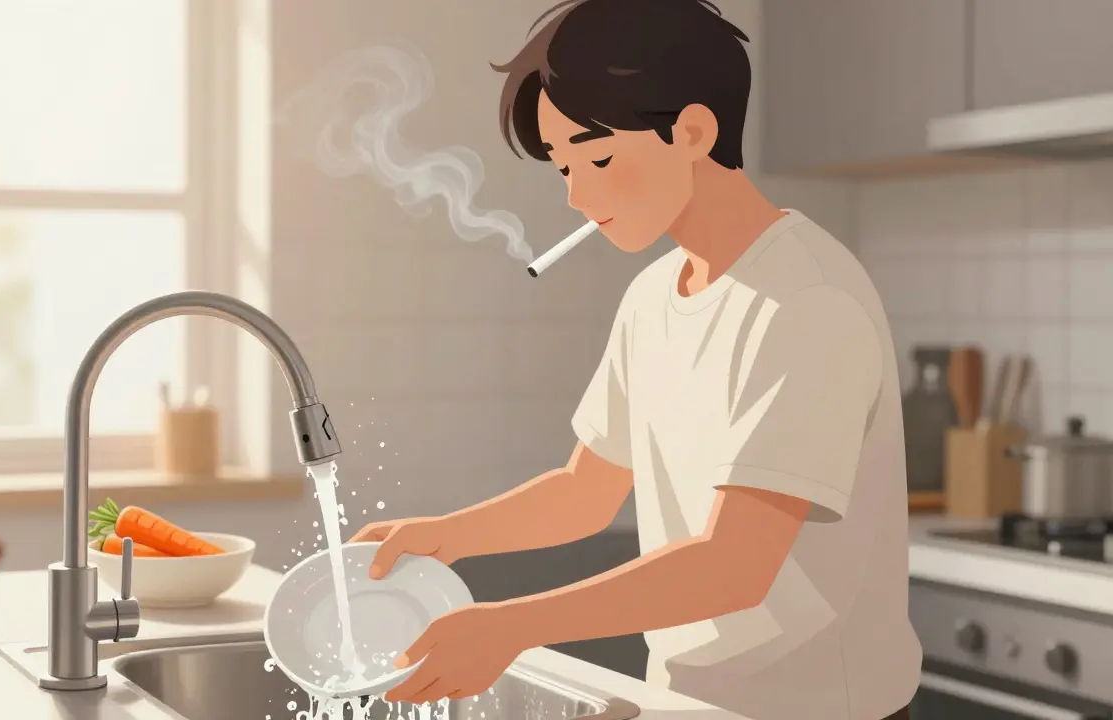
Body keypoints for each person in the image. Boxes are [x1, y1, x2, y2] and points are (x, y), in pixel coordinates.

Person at [350, 1, 921, 718]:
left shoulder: (808, 303)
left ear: (692, 132)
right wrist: (443, 537)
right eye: (563, 168)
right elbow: (586, 489)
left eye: (597, 158)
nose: (578, 196)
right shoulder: (653, 296)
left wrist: (511, 627)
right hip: (689, 700)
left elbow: (734, 566)